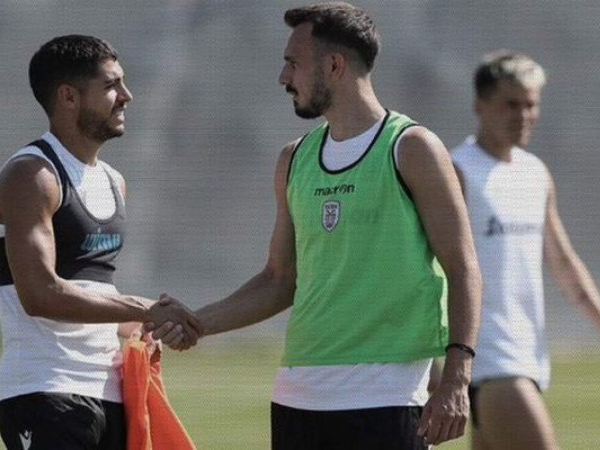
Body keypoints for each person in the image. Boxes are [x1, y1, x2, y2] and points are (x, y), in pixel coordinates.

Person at [178, 3, 482, 448]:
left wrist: (456, 379)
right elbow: (280, 279)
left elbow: (463, 267)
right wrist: (197, 322)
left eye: (293, 63)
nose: (284, 77)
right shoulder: (293, 159)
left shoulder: (412, 148)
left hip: (387, 399)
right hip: (297, 400)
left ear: (335, 65)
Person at [0, 35, 202, 449]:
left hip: (111, 392)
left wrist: (143, 325)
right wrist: (146, 308)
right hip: (45, 392)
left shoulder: (114, 181)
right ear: (68, 97)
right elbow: (41, 295)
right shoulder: (32, 176)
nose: (127, 96)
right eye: (111, 85)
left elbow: (92, 290)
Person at [451, 50, 600, 450]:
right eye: (510, 104)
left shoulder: (535, 173)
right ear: (480, 106)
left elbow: (563, 261)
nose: (523, 114)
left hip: (527, 357)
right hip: (489, 361)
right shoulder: (456, 171)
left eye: (531, 104)